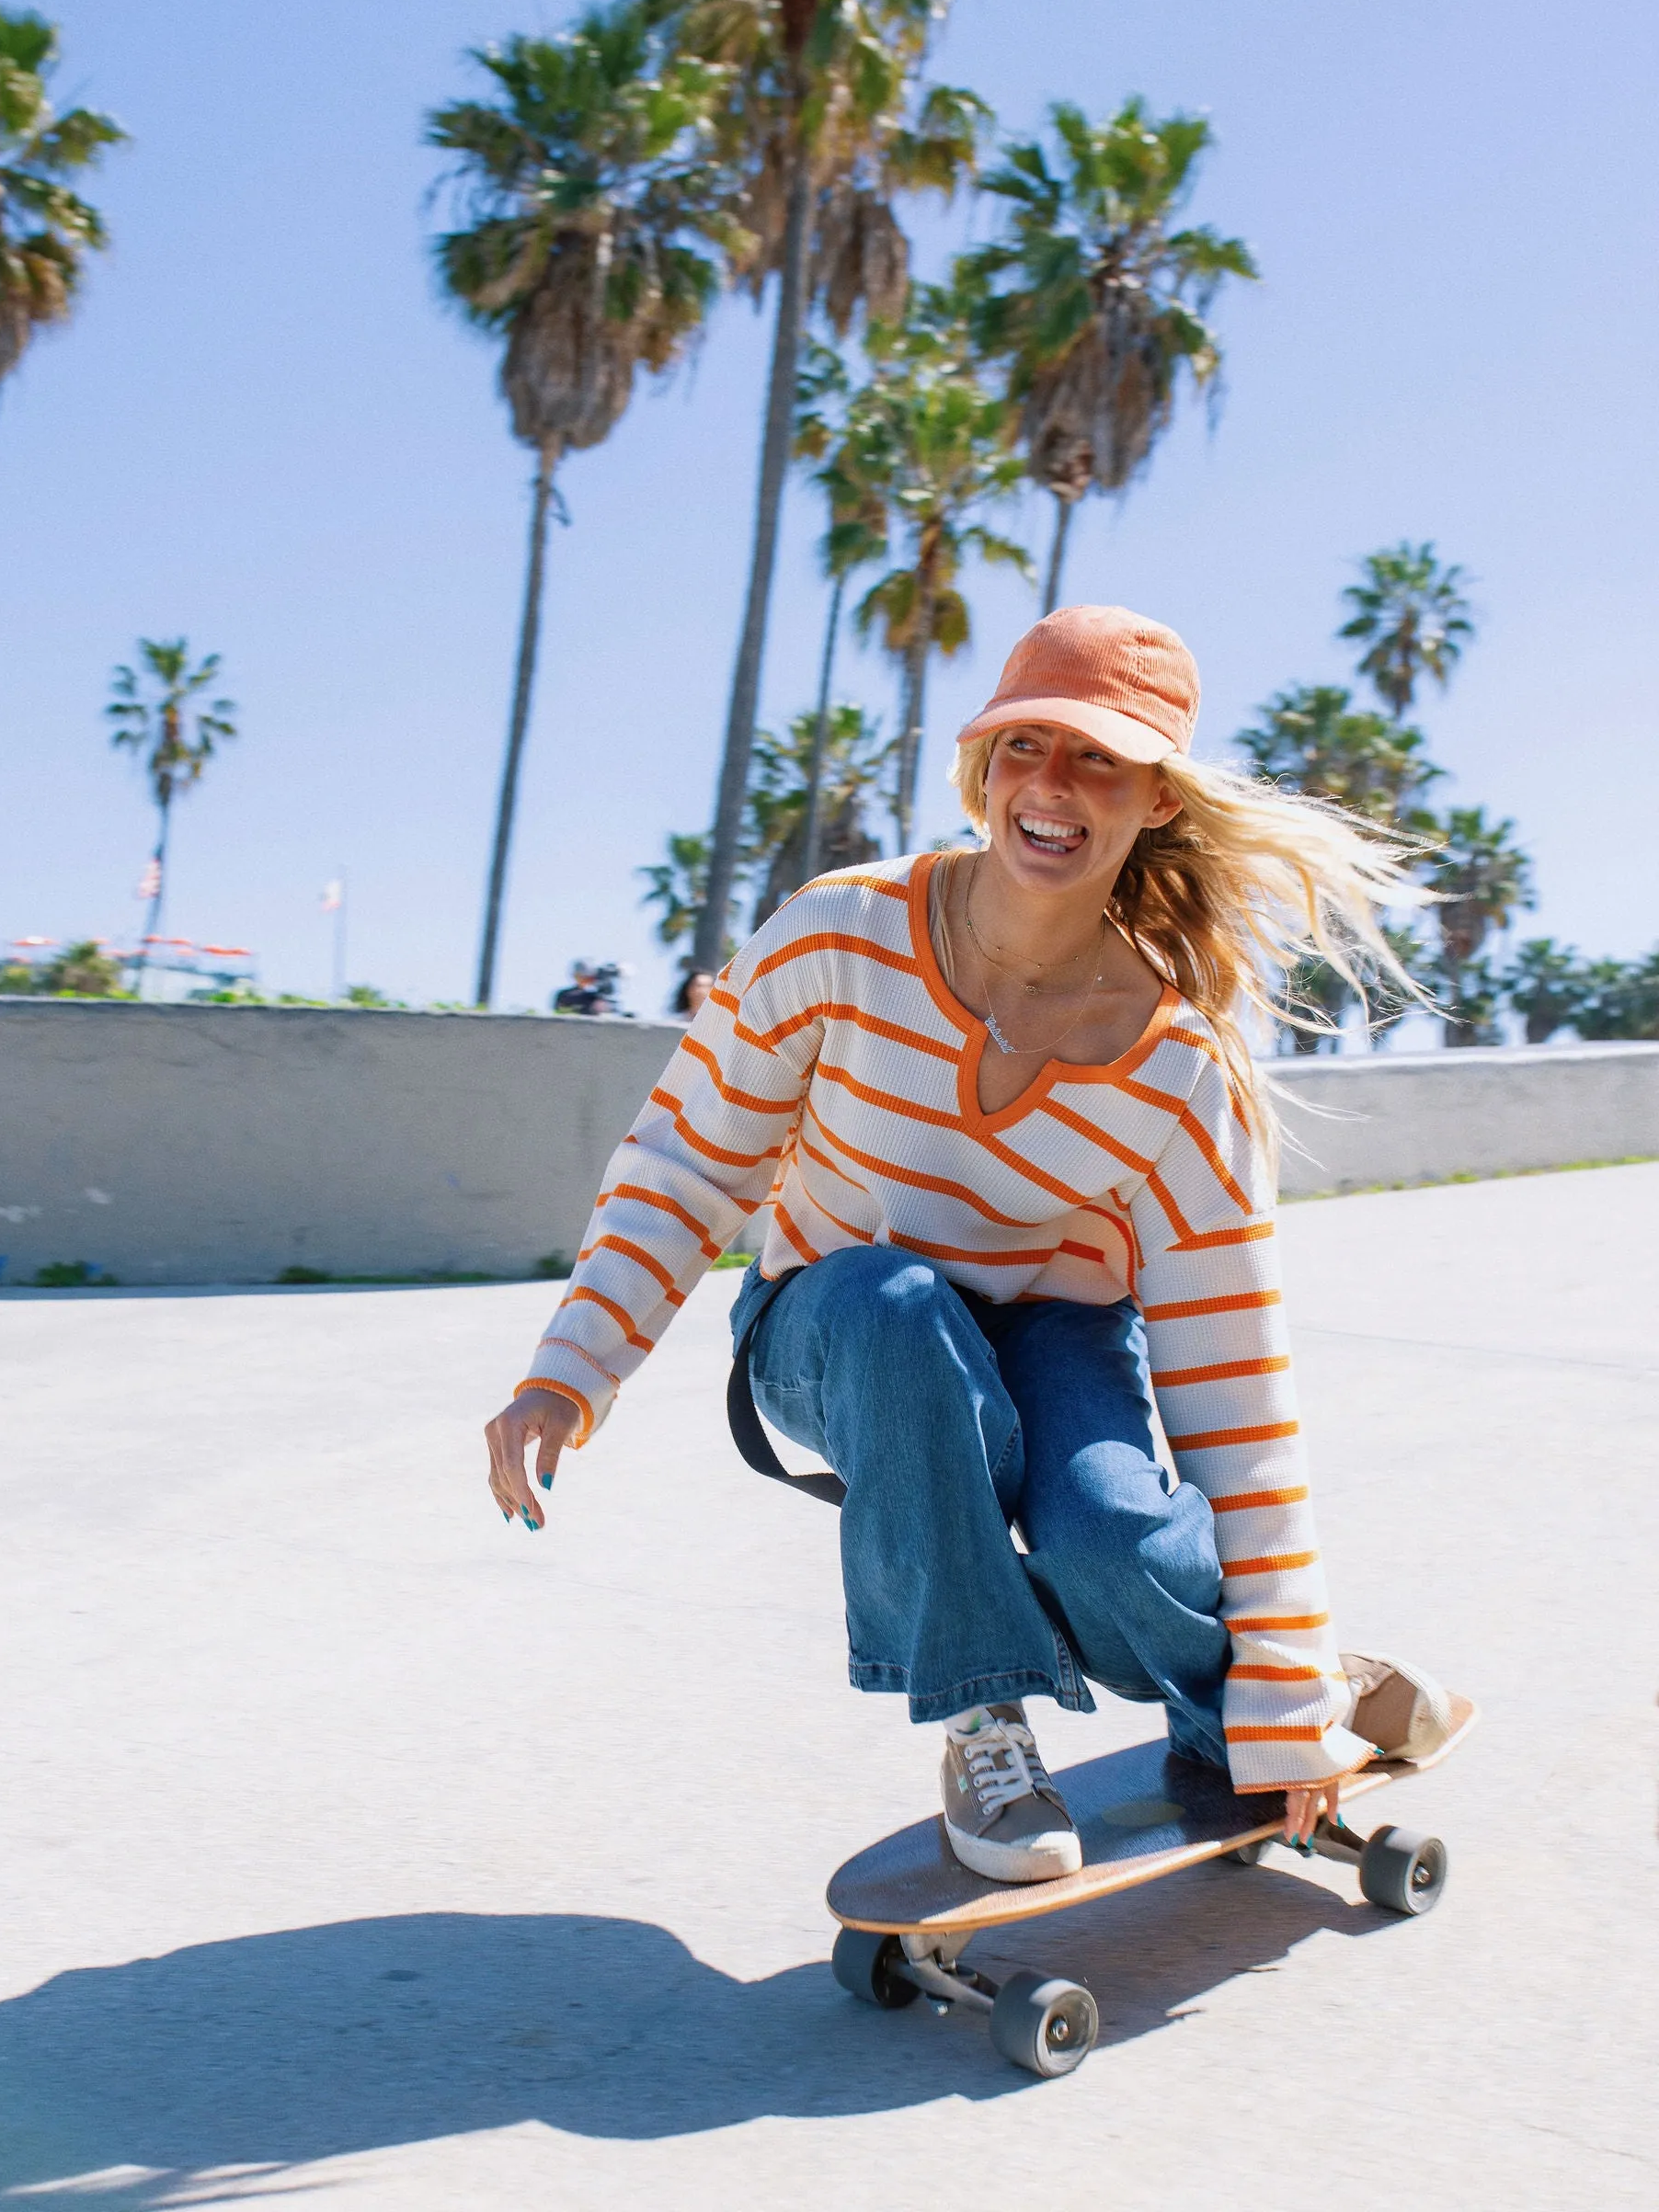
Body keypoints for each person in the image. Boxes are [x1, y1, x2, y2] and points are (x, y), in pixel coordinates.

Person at [486, 607, 1451, 1880]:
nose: (1052, 785)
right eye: (1025, 746)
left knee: (1111, 1539)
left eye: (1099, 756)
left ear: (1157, 797)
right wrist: (569, 1371)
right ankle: (985, 1723)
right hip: (835, 1326)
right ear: (981, 770)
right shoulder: (838, 938)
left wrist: (1278, 1681)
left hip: (1051, 1326)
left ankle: (1277, 1677)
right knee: (896, 1307)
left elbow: (1232, 1377)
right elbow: (686, 1164)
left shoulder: (1177, 1063)